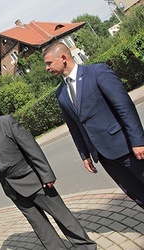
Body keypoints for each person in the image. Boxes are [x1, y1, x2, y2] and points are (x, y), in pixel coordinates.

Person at [0, 100, 96, 250]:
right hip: (13, 190)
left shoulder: (6, 122)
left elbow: (31, 148)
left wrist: (46, 175)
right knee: (41, 228)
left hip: (35, 182)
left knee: (63, 217)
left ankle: (85, 247)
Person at [43, 42, 144, 210]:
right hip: (104, 156)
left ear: (63, 58)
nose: (47, 68)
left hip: (128, 147)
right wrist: (84, 154)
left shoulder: (97, 72)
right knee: (136, 194)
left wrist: (138, 140)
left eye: (49, 63)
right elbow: (74, 126)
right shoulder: (60, 93)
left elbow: (124, 106)